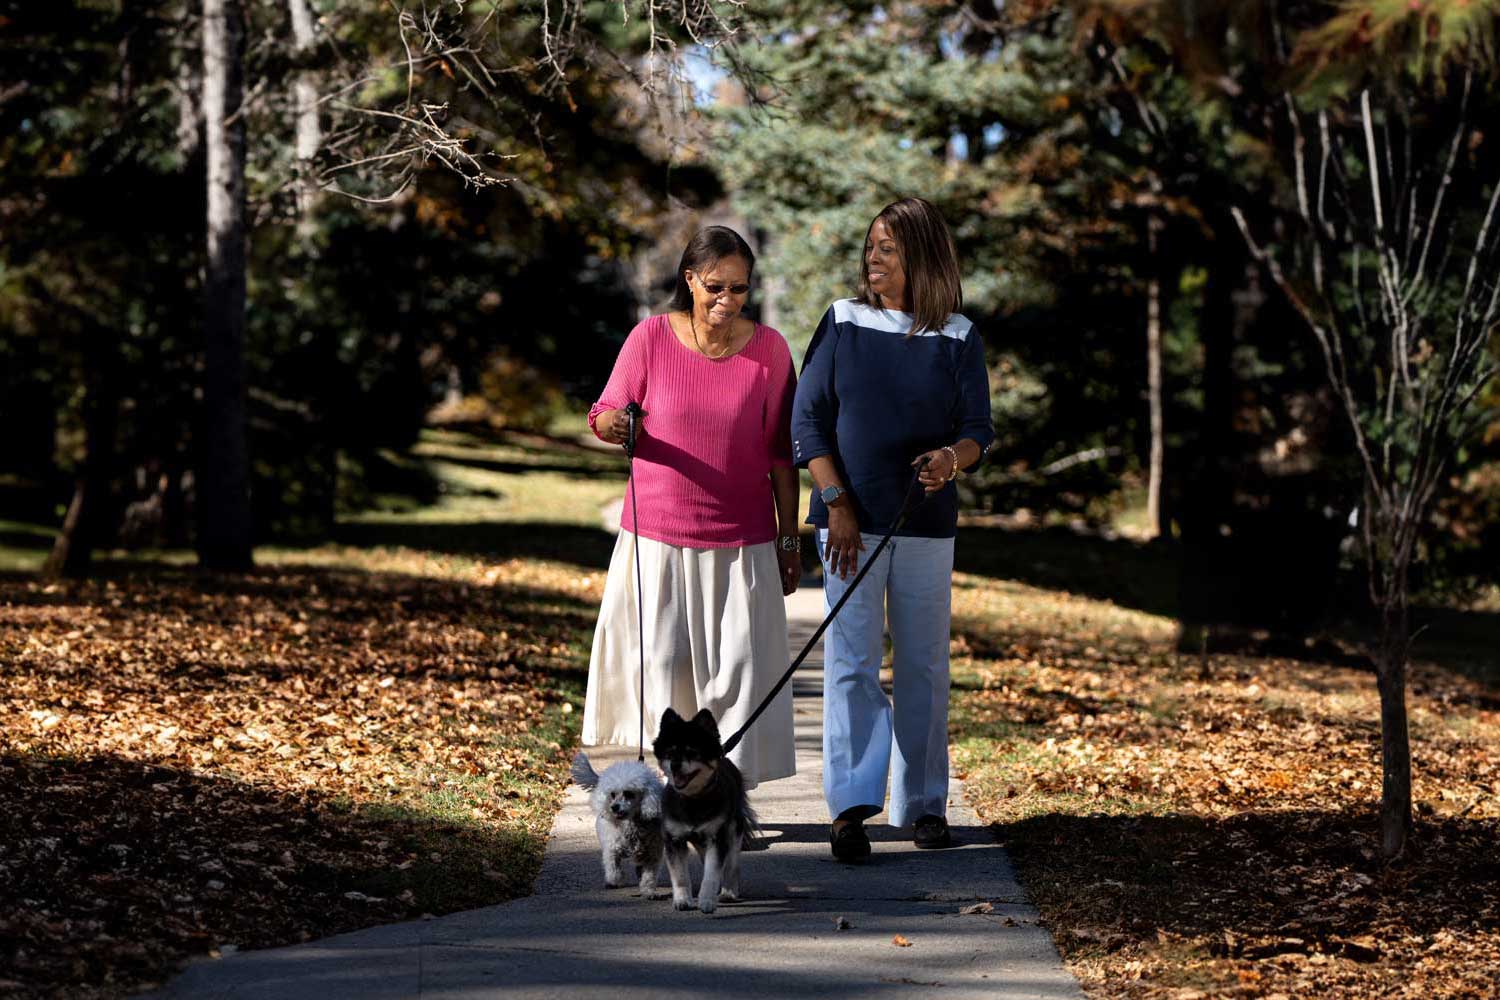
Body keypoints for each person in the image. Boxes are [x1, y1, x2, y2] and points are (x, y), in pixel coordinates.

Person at [791, 197, 994, 860]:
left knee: (924, 666)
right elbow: (808, 421)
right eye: (871, 246)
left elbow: (976, 432)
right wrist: (836, 502)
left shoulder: (958, 336)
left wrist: (949, 461)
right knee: (851, 663)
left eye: (888, 247)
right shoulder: (843, 322)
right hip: (849, 522)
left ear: (922, 255)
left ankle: (923, 805)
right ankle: (851, 808)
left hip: (927, 525)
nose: (873, 258)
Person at [582, 226, 800, 788]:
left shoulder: (770, 350)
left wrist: (788, 538)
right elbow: (603, 413)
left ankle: (731, 797)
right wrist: (617, 424)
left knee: (740, 674)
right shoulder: (650, 337)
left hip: (743, 539)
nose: (727, 300)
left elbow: (781, 453)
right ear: (689, 280)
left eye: (740, 289)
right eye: (715, 287)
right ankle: (667, 790)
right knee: (662, 667)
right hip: (658, 535)